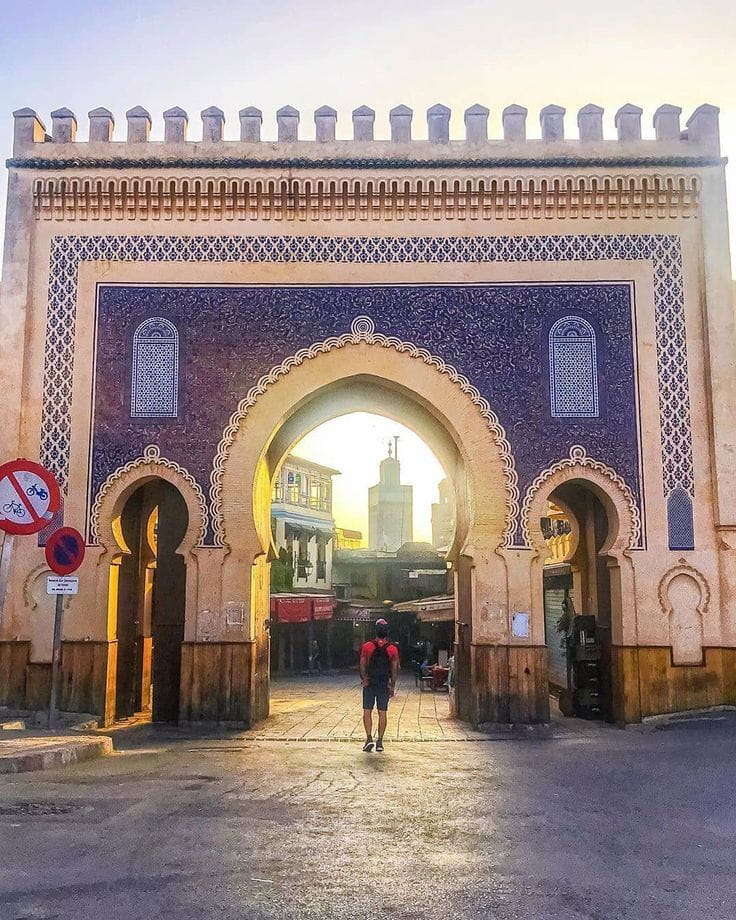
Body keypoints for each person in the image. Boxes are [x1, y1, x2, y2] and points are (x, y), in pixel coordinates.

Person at [359, 618, 400, 753]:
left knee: (367, 711)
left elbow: (362, 665)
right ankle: (380, 742)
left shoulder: (367, 646)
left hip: (370, 683)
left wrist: (364, 679)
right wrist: (392, 686)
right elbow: (395, 669)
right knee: (382, 712)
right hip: (383, 684)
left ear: (375, 631)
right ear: (386, 632)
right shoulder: (392, 649)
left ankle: (369, 738)